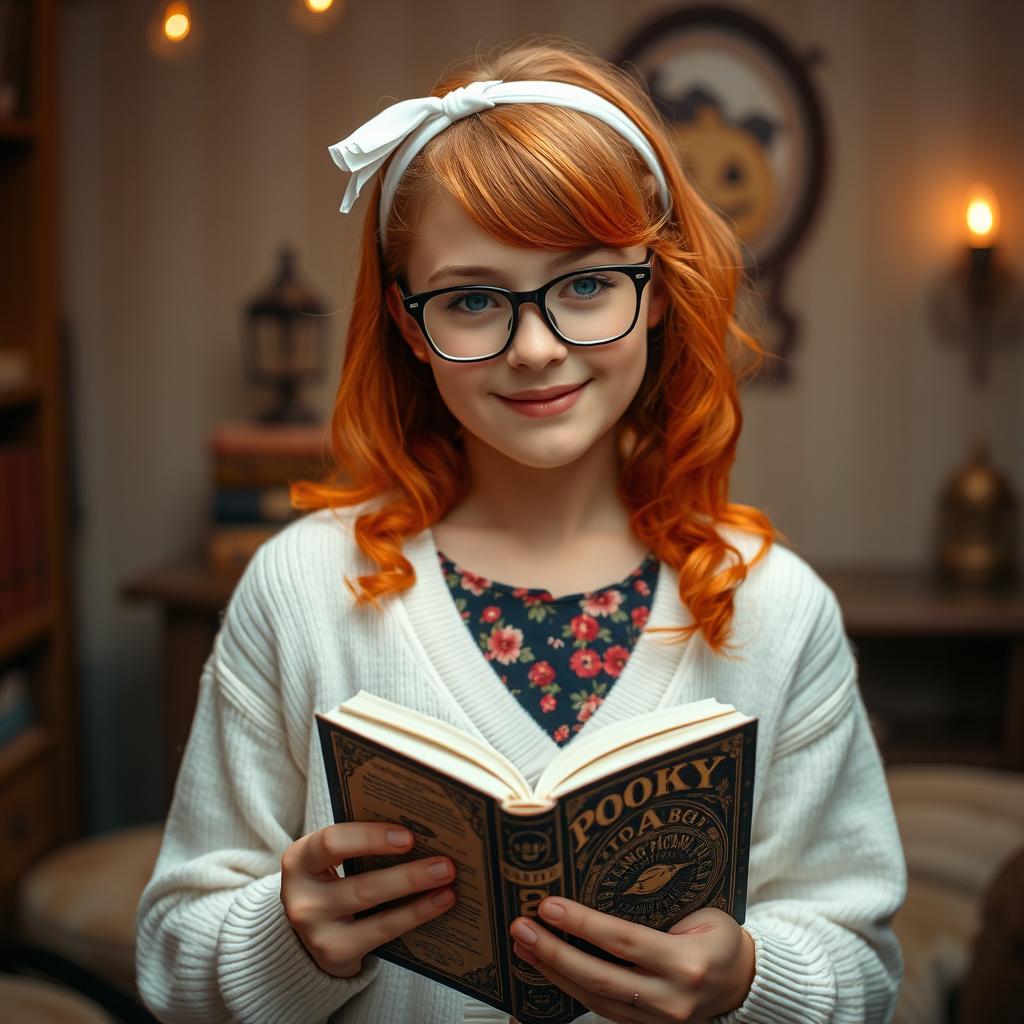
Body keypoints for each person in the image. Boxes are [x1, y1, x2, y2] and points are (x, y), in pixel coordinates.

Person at [136, 38, 906, 1024]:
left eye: (585, 284)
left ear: (657, 289)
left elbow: (861, 964)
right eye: (470, 300)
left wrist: (750, 983)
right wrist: (286, 942)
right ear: (412, 329)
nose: (536, 348)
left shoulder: (773, 604)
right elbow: (172, 962)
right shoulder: (301, 590)